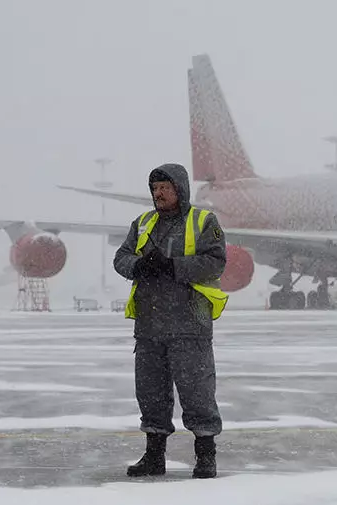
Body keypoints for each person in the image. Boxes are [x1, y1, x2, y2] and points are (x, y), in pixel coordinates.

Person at [113, 162, 228, 479]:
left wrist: (173, 266)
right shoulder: (142, 223)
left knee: (197, 392)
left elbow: (216, 262)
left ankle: (205, 456)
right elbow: (121, 257)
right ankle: (154, 457)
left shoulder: (203, 221)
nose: (158, 194)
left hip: (190, 323)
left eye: (164, 187)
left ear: (180, 189)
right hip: (149, 325)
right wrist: (138, 266)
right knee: (150, 393)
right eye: (154, 188)